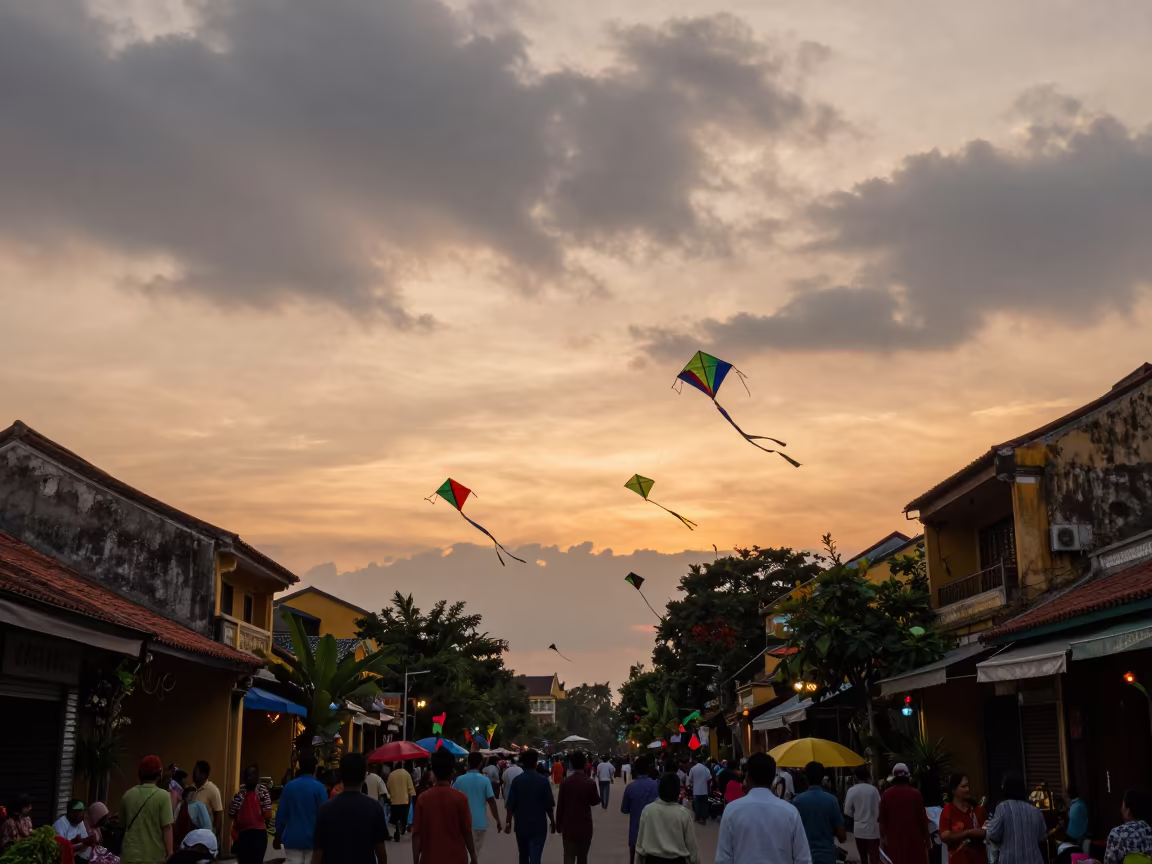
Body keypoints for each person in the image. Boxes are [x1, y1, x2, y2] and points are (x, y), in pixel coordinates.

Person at [715, 752, 811, 864]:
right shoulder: (790, 812)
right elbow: (803, 858)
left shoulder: (732, 810)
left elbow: (723, 859)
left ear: (748, 776)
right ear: (773, 778)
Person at [313, 753, 390, 864]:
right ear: (364, 776)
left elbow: (317, 853)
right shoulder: (374, 808)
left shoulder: (326, 809)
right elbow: (381, 851)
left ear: (341, 775)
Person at [413, 749, 476, 864]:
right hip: (457, 859)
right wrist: (473, 856)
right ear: (452, 772)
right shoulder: (460, 798)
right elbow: (467, 831)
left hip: (430, 859)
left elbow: (416, 834)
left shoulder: (422, 799)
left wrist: (416, 861)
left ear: (432, 773)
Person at [635, 773, 702, 864]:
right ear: (677, 791)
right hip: (677, 861)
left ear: (660, 789)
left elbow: (640, 845)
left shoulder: (647, 810)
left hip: (652, 860)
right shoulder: (683, 814)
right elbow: (692, 847)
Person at [274, 755, 329, 864]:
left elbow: (281, 815)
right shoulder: (319, 788)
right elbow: (325, 816)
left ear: (300, 768)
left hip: (292, 841)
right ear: (315, 768)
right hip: (314, 843)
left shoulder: (289, 787)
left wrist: (278, 835)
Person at [119, 755, 174, 864]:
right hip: (153, 858)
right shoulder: (163, 796)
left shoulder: (127, 795)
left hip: (129, 856)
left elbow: (122, 825)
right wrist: (170, 852)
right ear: (160, 774)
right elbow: (167, 828)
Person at [505, 750, 556, 864]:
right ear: (536, 763)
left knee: (523, 855)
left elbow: (510, 805)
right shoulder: (543, 781)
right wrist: (552, 821)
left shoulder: (517, 781)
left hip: (521, 825)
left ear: (523, 763)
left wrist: (508, 823)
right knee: (535, 858)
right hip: (539, 826)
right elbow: (548, 806)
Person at [982, 772, 1046, 864]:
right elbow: (1042, 836)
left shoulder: (1002, 808)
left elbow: (993, 835)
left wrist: (988, 827)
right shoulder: (1035, 810)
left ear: (1006, 788)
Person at [793, 762, 846, 864]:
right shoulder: (831, 800)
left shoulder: (797, 801)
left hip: (803, 857)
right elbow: (842, 837)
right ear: (823, 778)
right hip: (826, 857)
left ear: (805, 777)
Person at [453, 751, 503, 858]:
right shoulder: (485, 780)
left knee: (464, 853)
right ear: (481, 763)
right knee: (474, 853)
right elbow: (491, 801)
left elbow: (452, 800)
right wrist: (498, 820)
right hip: (479, 823)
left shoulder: (459, 780)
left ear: (468, 762)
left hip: (461, 823)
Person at [880, 763, 930, 864]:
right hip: (915, 842)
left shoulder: (886, 795)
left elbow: (882, 821)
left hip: (894, 842)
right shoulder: (916, 794)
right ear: (908, 777)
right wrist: (927, 840)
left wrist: (882, 840)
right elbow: (923, 819)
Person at [555, 752, 600, 864]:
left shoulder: (565, 783)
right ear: (585, 764)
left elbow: (560, 806)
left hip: (569, 826)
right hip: (585, 826)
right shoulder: (590, 783)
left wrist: (558, 825)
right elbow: (595, 802)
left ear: (571, 764)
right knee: (582, 857)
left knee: (568, 856)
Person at [227, 765, 271, 864]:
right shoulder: (240, 794)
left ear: (257, 777)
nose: (250, 777)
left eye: (253, 775)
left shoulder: (262, 791)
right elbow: (232, 813)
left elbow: (267, 812)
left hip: (259, 834)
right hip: (243, 834)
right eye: (247, 775)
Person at [939, 773, 987, 864]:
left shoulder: (978, 811)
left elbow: (989, 831)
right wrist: (968, 833)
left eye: (967, 786)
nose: (967, 789)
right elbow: (944, 836)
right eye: (963, 787)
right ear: (953, 790)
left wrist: (983, 832)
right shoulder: (948, 810)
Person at [621, 756, 660, 864]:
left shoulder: (630, 787)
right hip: (653, 827)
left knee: (633, 852)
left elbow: (624, 809)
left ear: (636, 770)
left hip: (636, 827)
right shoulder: (656, 785)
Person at [845, 767, 882, 864]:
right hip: (873, 828)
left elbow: (847, 811)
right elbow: (880, 807)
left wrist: (857, 815)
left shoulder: (852, 790)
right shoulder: (874, 790)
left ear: (856, 777)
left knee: (863, 857)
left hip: (859, 829)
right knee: (874, 858)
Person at [1104, 790, 1152, 864]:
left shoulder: (1118, 833)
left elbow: (1109, 862)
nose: (1121, 810)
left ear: (1129, 810)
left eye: (1123, 806)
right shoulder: (1149, 829)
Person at [189, 762, 223, 845]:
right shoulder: (191, 789)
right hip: (192, 835)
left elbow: (219, 814)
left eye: (195, 772)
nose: (193, 774)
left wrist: (213, 837)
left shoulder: (213, 790)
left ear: (204, 775)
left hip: (205, 835)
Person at [385, 761, 415, 843]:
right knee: (403, 818)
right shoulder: (406, 774)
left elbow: (388, 787)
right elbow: (410, 789)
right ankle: (401, 828)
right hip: (404, 800)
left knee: (395, 817)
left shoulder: (391, 775)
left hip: (394, 801)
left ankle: (397, 827)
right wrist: (410, 800)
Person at [687, 756, 712, 826]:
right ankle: (704, 819)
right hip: (704, 790)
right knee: (704, 805)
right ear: (703, 761)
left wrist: (692, 784)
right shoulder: (706, 769)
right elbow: (709, 779)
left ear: (696, 761)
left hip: (696, 790)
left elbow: (690, 780)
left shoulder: (693, 769)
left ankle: (697, 817)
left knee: (697, 804)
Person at [1064, 785, 1088, 850]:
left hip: (1075, 836)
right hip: (1075, 835)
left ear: (1069, 795)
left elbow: (1084, 820)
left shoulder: (1077, 805)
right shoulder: (1077, 804)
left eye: (1066, 795)